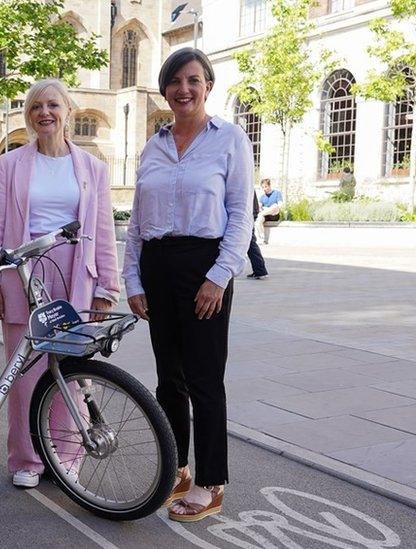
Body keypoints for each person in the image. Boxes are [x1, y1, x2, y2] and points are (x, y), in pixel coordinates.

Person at [123, 48, 252, 522]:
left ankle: (211, 481)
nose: (184, 89)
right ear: (164, 90)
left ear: (208, 86)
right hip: (158, 265)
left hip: (205, 264)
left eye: (193, 80)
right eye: (175, 81)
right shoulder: (153, 145)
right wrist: (133, 278)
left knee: (203, 378)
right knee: (167, 378)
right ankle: (177, 467)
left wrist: (219, 276)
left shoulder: (230, 139)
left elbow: (241, 215)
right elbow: (137, 220)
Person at [0, 79, 120, 489]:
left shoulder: (93, 169)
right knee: (23, 373)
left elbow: (103, 231)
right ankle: (26, 458)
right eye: (36, 106)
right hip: (22, 274)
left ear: (68, 112)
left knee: (71, 373)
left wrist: (106, 287)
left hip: (76, 273)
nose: (45, 112)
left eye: (53, 105)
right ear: (28, 115)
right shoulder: (11, 164)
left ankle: (66, 456)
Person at [246, 190, 269, 280]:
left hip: (248, 215)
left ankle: (260, 271)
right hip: (250, 213)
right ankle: (260, 270)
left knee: (251, 244)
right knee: (251, 243)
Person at [256, 178, 283, 244]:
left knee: (275, 206)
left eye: (266, 187)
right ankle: (262, 239)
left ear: (269, 185)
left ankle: (263, 213)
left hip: (274, 214)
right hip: (266, 215)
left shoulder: (277, 193)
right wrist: (262, 209)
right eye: (263, 187)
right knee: (259, 218)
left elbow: (280, 205)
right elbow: (259, 207)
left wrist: (269, 209)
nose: (264, 189)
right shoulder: (262, 197)